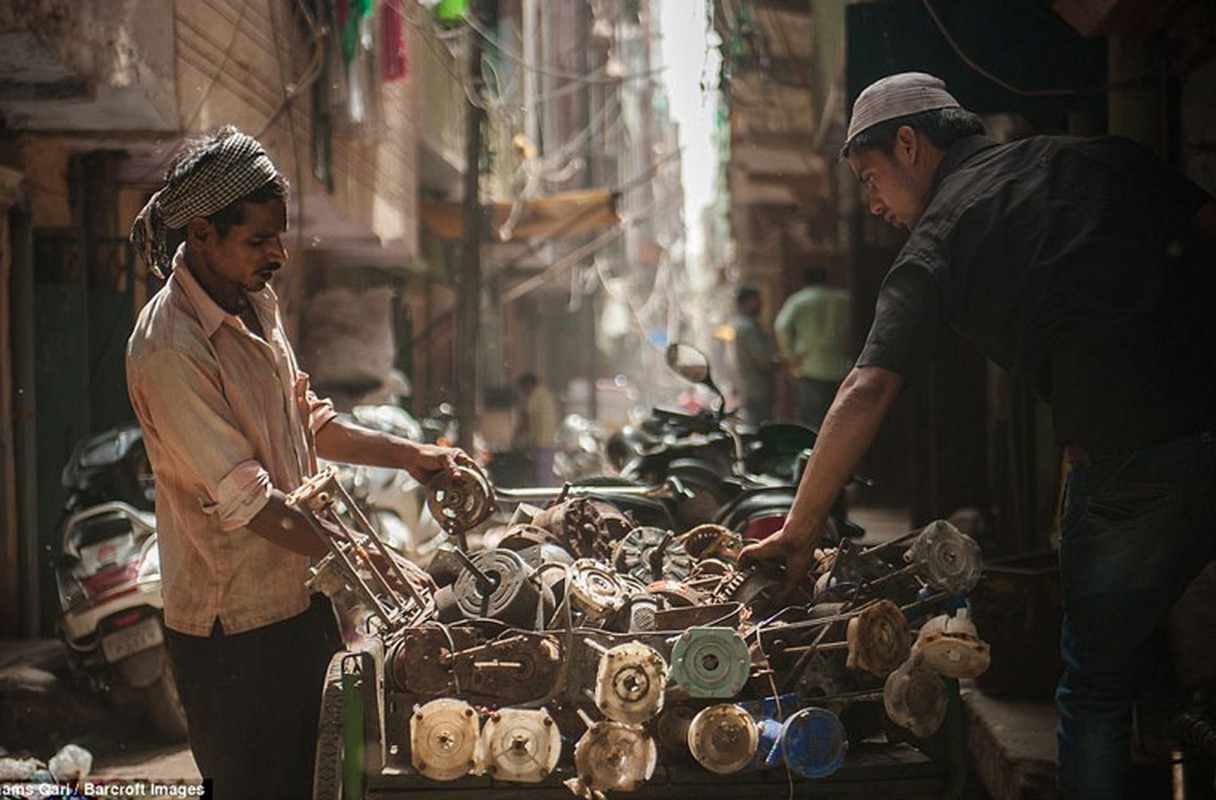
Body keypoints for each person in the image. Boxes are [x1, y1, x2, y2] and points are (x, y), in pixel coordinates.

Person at [741, 72, 1216, 798]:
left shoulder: (939, 241)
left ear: (910, 143)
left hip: (1132, 463)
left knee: (1095, 690)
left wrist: (800, 532)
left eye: (872, 177)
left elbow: (866, 386)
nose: (872, 202)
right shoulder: (1095, 156)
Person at [125, 126, 474, 800]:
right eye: (259, 239)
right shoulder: (170, 348)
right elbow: (249, 501)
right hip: (234, 635)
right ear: (200, 235)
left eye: (278, 236)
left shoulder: (253, 304)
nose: (279, 254)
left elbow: (305, 419)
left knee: (325, 781)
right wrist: (367, 558)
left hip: (299, 602)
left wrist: (412, 456)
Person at [773, 264, 852, 429]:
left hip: (811, 368)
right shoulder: (844, 299)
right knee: (839, 422)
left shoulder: (799, 301)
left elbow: (781, 326)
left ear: (805, 281)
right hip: (842, 368)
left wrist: (791, 356)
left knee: (813, 425)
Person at [732, 283, 778, 425]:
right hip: (757, 390)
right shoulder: (748, 327)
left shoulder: (746, 325)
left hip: (754, 389)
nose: (761, 304)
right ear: (748, 302)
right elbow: (763, 359)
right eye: (758, 300)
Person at [513, 373, 559, 485]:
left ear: (528, 384)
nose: (523, 393)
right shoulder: (545, 394)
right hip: (549, 442)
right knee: (546, 475)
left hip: (541, 443)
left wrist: (515, 438)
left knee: (542, 477)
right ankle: (546, 499)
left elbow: (526, 418)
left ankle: (544, 500)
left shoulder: (535, 395)